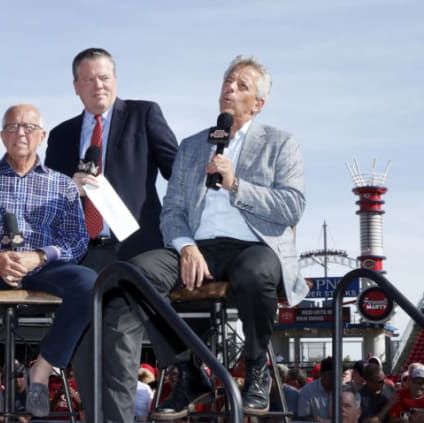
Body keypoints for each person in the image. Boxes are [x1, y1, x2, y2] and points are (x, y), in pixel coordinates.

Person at [129, 54, 307, 419]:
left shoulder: (281, 142)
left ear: (258, 104)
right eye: (227, 81)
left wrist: (236, 183)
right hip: (198, 246)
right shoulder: (193, 145)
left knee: (255, 272)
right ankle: (187, 371)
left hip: (253, 246)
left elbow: (292, 206)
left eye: (242, 85)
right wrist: (187, 246)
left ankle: (257, 370)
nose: (230, 88)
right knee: (136, 275)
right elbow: (173, 210)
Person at [0, 103, 96, 418]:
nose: (20, 133)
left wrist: (39, 257)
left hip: (42, 270)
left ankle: (41, 371)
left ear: (42, 136)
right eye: (12, 127)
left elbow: (76, 239)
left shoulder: (62, 185)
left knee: (90, 283)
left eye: (28, 127)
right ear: (2, 136)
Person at [44, 47, 178, 423]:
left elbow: (178, 173)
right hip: (82, 254)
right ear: (76, 87)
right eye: (88, 79)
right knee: (84, 353)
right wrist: (69, 188)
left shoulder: (144, 114)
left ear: (115, 80)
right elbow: (49, 199)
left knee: (119, 349)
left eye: (104, 77)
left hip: (132, 252)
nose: (97, 85)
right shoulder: (61, 135)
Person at [296, 357, 333, 422]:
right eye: (332, 375)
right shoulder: (307, 391)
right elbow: (303, 417)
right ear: (322, 375)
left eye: (340, 374)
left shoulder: (344, 390)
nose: (338, 378)